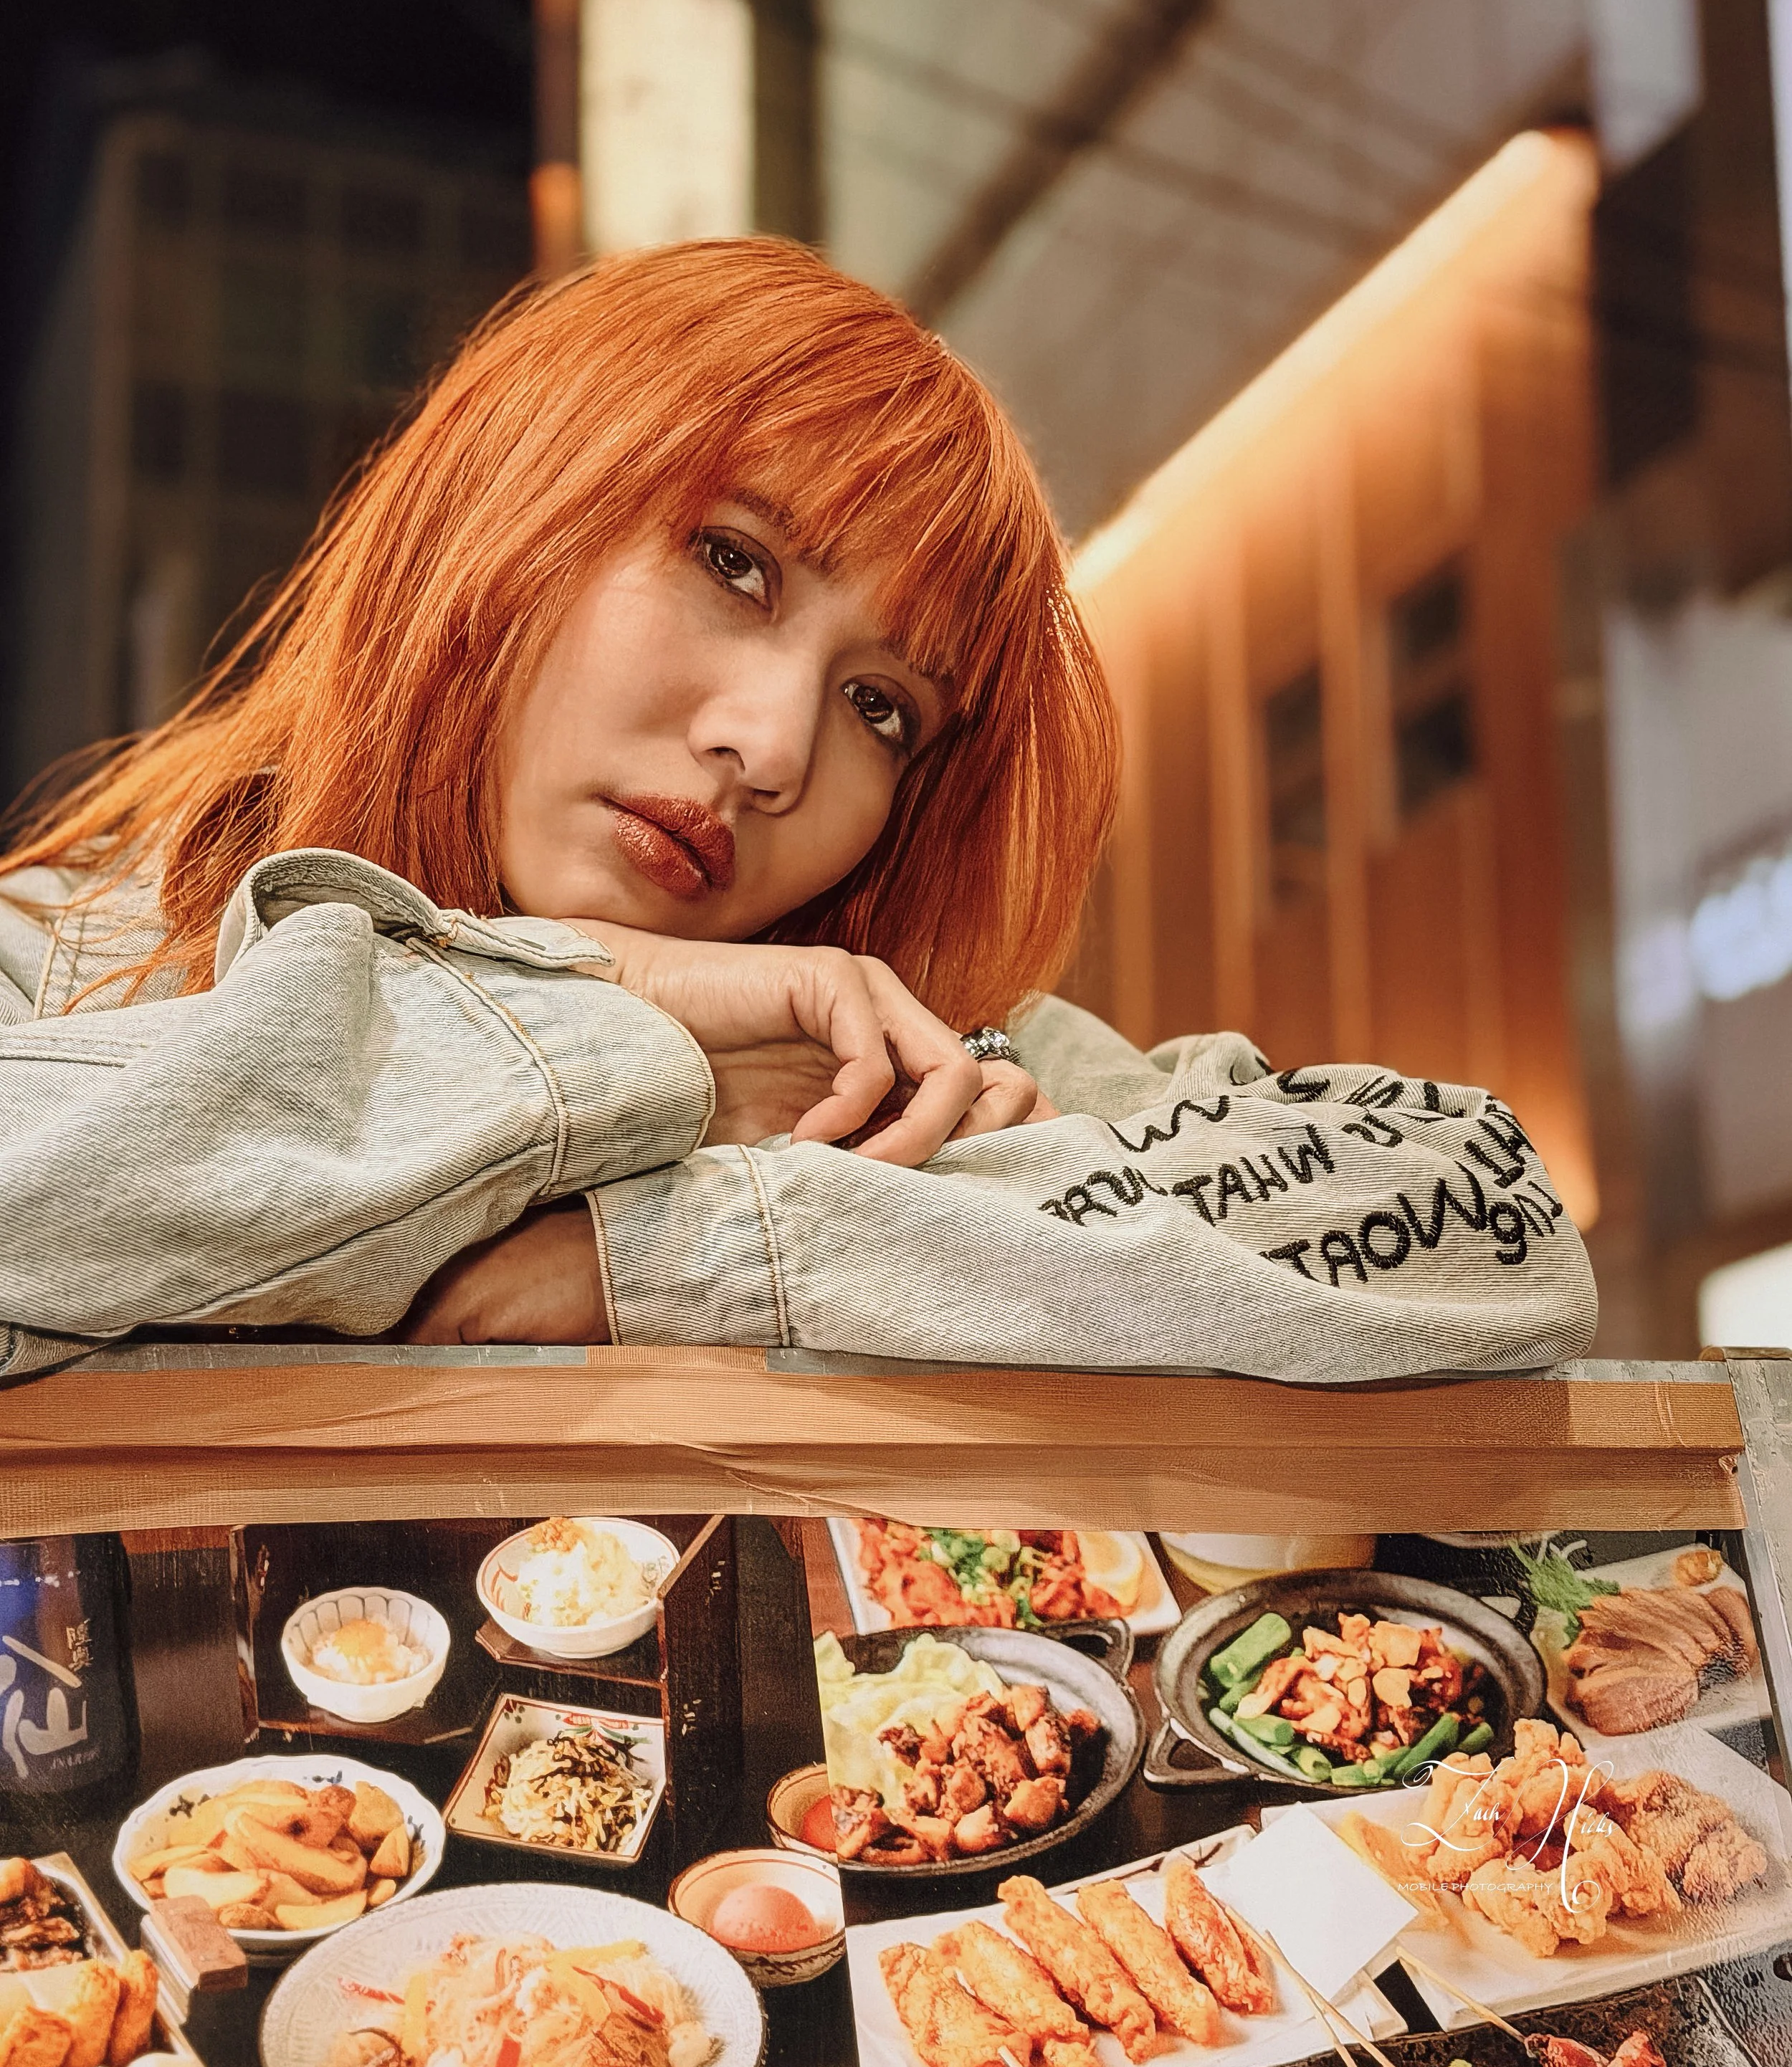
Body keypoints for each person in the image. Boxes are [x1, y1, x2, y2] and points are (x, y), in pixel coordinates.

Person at [0, 239, 1595, 1385]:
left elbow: (1489, 1220)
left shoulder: (894, 1065)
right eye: (732, 562)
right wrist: (619, 1010)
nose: (768, 748)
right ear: (516, 508)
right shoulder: (75, 959)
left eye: (880, 706)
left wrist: (679, 1254)